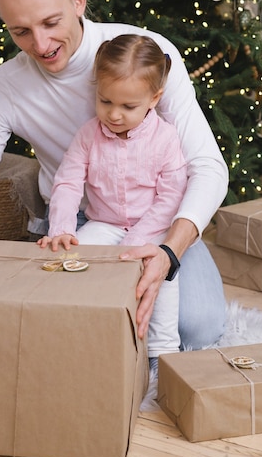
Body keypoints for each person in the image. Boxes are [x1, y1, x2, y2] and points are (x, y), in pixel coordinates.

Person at [0, 0, 228, 348]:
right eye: (20, 31)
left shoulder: (146, 54)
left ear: (79, 0)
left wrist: (169, 249)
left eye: (51, 22)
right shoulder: (2, 89)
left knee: (198, 328)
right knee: (68, 323)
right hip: (80, 222)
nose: (41, 43)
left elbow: (208, 167)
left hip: (159, 218)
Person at [38, 33, 188, 359]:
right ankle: (83, 334)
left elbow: (171, 196)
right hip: (103, 223)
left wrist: (138, 240)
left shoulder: (166, 138)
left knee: (160, 274)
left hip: (153, 228)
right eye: (105, 101)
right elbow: (67, 182)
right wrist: (61, 228)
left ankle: (162, 352)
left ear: (153, 99)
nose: (114, 115)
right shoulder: (89, 135)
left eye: (128, 106)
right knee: (74, 261)